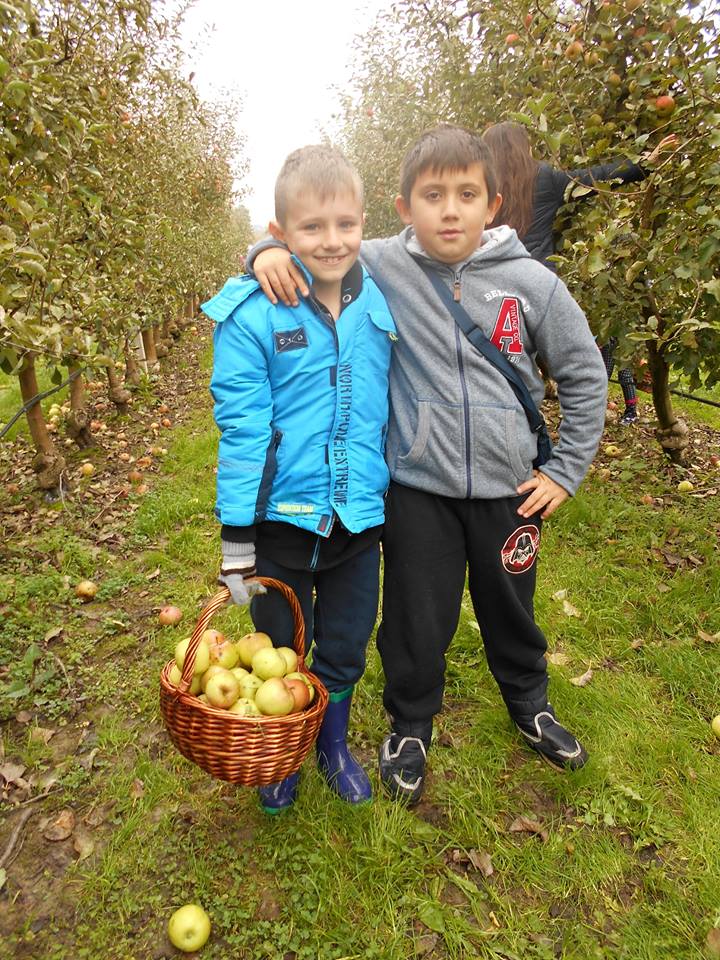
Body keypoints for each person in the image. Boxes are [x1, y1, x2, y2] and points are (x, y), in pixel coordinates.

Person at [247, 125, 608, 804]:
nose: (449, 211)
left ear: (492, 204)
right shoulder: (382, 263)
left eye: (466, 195)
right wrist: (263, 250)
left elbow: (586, 373)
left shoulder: (533, 283)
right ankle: (410, 725)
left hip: (509, 488)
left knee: (511, 605)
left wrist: (564, 470)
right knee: (416, 616)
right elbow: (313, 241)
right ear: (403, 207)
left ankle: (529, 702)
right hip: (418, 489)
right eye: (432, 195)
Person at [202, 145, 397, 813]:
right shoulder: (253, 314)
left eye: (346, 224)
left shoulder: (381, 296)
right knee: (281, 645)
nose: (332, 240)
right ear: (281, 232)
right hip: (281, 525)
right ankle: (282, 749)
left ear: (365, 223)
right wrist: (237, 538)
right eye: (311, 227)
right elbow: (243, 431)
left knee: (345, 642)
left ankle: (331, 745)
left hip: (357, 518)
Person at [481, 122, 675, 425]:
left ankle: (499, 423)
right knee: (544, 364)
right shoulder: (543, 177)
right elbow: (594, 178)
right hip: (535, 288)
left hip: (489, 287)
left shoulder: (480, 185)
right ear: (523, 147)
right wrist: (644, 164)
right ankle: (541, 425)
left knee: (495, 365)